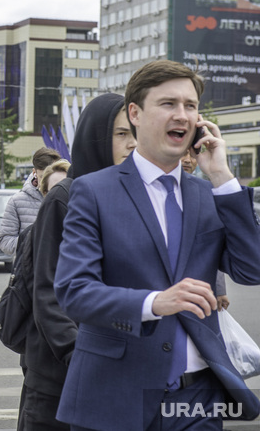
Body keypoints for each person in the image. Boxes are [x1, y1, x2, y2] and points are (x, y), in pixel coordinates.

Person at [54, 60, 260, 429]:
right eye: (168, 104)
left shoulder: (209, 193)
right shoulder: (93, 191)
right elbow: (74, 291)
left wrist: (224, 179)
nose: (182, 115)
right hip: (115, 394)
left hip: (197, 399)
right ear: (135, 113)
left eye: (190, 105)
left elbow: (252, 268)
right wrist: (154, 303)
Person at [18, 94, 136, 430]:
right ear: (95, 136)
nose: (131, 144)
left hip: (116, 365)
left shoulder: (133, 193)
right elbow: (49, 291)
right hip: (61, 370)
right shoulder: (66, 197)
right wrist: (78, 355)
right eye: (121, 134)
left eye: (135, 134)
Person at [180, 151, 230, 312]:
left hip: (197, 293)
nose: (188, 160)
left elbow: (212, 247)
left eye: (192, 156)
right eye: (183, 154)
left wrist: (219, 289)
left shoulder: (206, 192)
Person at [0, 147, 60, 257]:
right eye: (43, 177)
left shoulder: (69, 198)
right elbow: (5, 241)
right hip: (30, 270)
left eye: (50, 177)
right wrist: (33, 243)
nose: (47, 182)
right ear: (34, 172)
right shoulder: (16, 201)